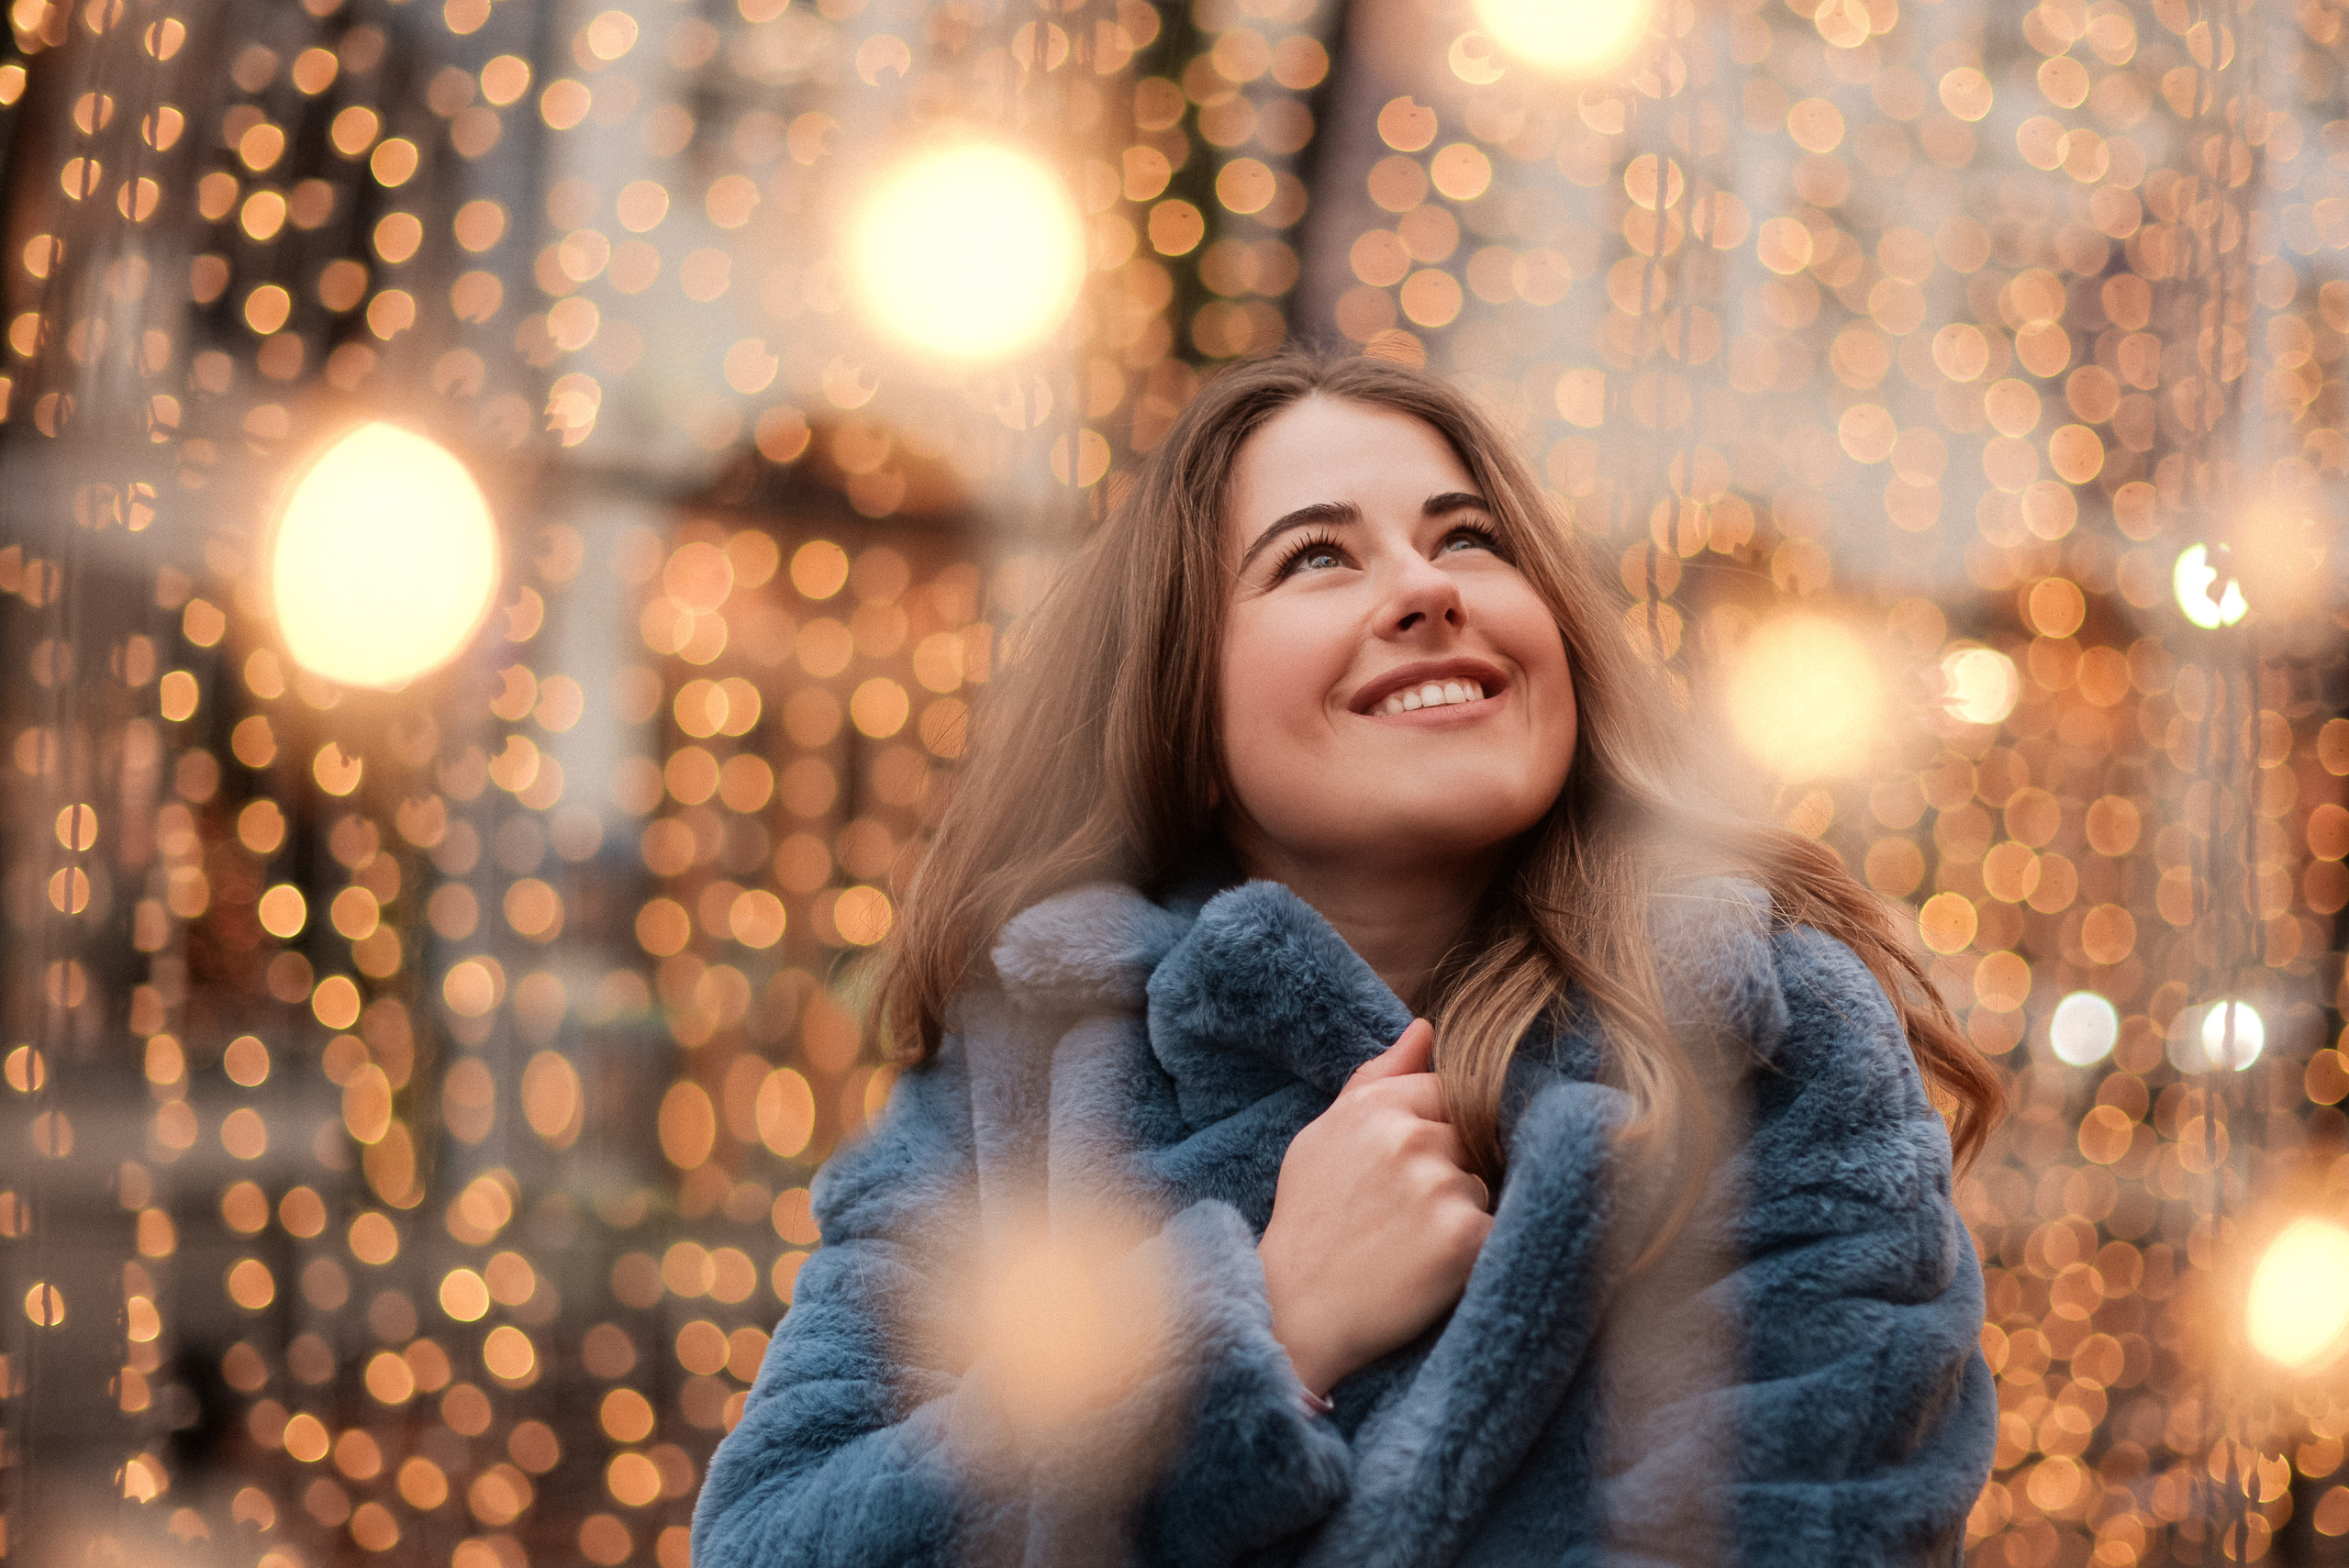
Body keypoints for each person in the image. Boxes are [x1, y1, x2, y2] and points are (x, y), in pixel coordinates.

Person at [693, 350, 2005, 1566]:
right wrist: (1260, 1322)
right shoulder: (1029, 1068)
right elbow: (774, 1537)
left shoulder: (1760, 1030)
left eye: (1471, 539)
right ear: (1185, 708)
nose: (1428, 587)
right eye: (1317, 556)